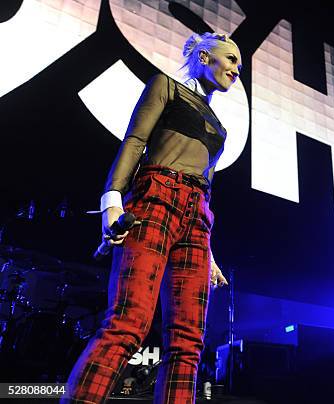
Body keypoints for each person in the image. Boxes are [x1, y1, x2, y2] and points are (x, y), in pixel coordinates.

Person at [62, 32, 240, 403]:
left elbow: (207, 186)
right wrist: (112, 199)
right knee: (129, 321)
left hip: (198, 220)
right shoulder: (166, 87)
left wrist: (210, 254)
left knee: (189, 341)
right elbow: (135, 139)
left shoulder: (221, 129)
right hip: (156, 198)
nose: (237, 70)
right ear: (205, 57)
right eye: (231, 59)